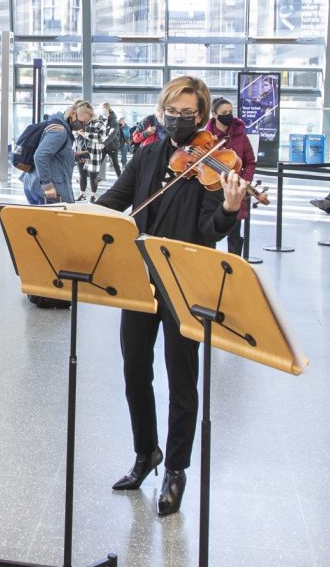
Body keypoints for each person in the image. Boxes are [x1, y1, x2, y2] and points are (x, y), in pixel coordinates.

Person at [94, 76, 248, 517]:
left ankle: (176, 470)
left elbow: (207, 231)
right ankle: (146, 453)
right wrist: (77, 213)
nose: (177, 121)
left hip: (186, 284)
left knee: (183, 381)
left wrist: (229, 209)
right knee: (134, 372)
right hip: (141, 281)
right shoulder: (146, 155)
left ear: (200, 115)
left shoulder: (213, 164)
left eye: (186, 115)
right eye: (170, 113)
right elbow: (116, 200)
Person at [207, 98, 257, 258]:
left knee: (234, 234)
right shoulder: (206, 137)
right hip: (211, 190)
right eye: (224, 113)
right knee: (209, 231)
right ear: (214, 114)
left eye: (230, 112)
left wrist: (244, 181)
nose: (228, 116)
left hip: (235, 191)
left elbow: (250, 161)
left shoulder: (241, 136)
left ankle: (235, 268)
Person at [24, 100, 94, 205]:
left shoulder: (57, 124)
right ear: (73, 113)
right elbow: (40, 156)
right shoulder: (60, 131)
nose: (82, 127)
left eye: (85, 124)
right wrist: (47, 185)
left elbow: (54, 155)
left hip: (34, 184)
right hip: (46, 190)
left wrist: (73, 156)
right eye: (82, 122)